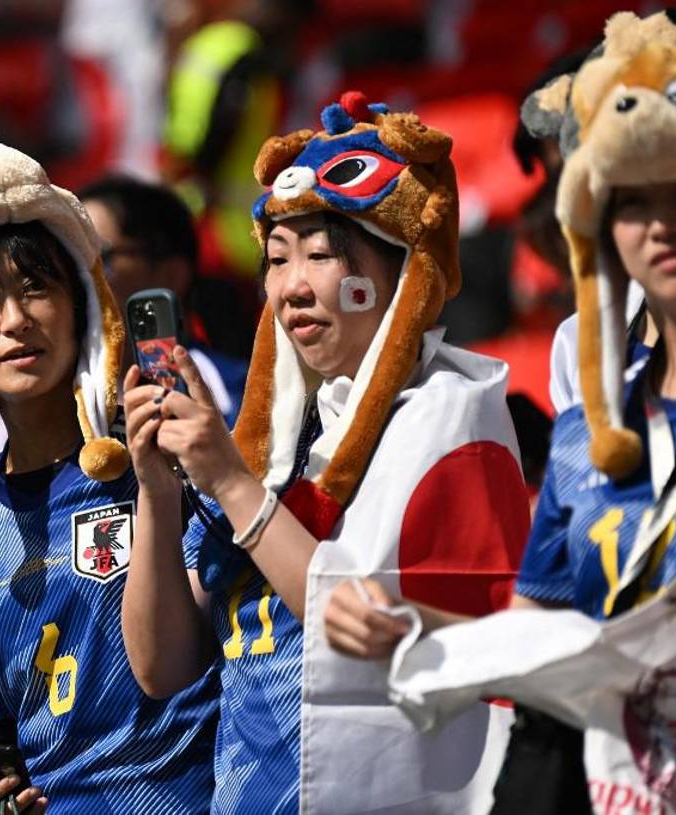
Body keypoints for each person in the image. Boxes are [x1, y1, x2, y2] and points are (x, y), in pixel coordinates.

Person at [122, 93, 530, 813]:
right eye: (277, 259)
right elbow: (160, 665)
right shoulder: (272, 440)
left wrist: (229, 482)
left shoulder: (450, 413)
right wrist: (159, 487)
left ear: (399, 273)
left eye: (321, 254)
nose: (293, 286)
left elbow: (358, 625)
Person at [0, 141, 218, 812]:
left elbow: (192, 662)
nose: (13, 321)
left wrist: (162, 482)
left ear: (86, 309)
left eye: (36, 287)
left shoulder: (169, 459)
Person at [500, 12, 676, 812]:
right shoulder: (585, 403)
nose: (662, 221)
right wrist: (408, 633)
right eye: (630, 198)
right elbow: (541, 622)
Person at [79, 175, 248, 426]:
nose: (79, 275)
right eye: (70, 257)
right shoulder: (28, 400)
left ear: (171, 275)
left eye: (99, 257)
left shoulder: (251, 396)